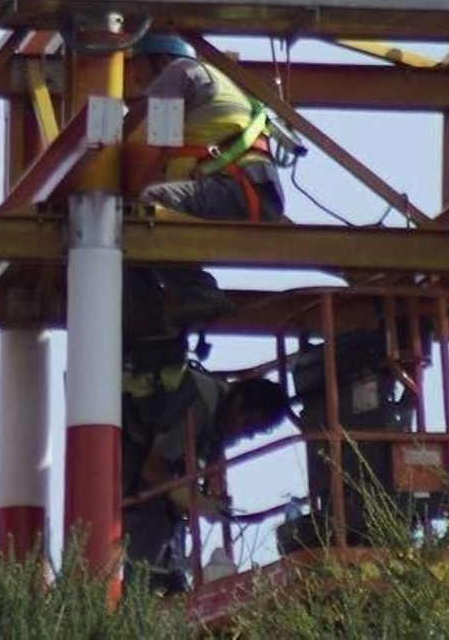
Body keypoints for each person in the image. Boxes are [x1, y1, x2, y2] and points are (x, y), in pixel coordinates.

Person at [124, 32, 286, 335]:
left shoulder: (180, 71)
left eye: (138, 65)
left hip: (237, 190)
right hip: (245, 192)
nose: (134, 76)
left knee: (147, 207)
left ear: (161, 59)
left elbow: (156, 134)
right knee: (132, 238)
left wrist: (105, 145)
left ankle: (198, 294)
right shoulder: (205, 89)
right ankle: (151, 331)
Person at [122, 370, 288, 591]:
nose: (246, 435)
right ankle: (144, 591)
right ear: (237, 402)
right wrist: (198, 502)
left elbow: (181, 479)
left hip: (144, 475)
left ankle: (162, 582)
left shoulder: (218, 425)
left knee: (167, 519)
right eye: (248, 424)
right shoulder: (199, 404)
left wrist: (200, 500)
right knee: (151, 519)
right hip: (121, 453)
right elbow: (153, 469)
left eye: (253, 432)